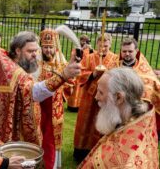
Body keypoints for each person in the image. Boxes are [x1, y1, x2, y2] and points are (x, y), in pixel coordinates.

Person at [0, 31, 82, 145]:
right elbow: (33, 91)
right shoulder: (12, 71)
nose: (35, 54)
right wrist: (63, 75)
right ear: (18, 50)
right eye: (30, 51)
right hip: (16, 131)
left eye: (36, 50)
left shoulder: (18, 64)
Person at [78, 67, 159, 168]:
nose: (96, 97)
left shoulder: (124, 159)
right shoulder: (135, 123)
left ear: (118, 97)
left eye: (101, 92)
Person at [73, 33, 119, 162]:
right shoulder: (89, 57)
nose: (103, 48)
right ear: (97, 44)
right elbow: (80, 73)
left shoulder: (115, 59)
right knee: (85, 123)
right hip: (89, 96)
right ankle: (81, 152)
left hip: (106, 98)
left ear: (110, 44)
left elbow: (118, 77)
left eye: (105, 45)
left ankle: (100, 153)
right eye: (100, 45)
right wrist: (93, 73)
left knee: (103, 123)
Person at [36, 29, 74, 169]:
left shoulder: (61, 62)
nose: (48, 50)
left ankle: (51, 164)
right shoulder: (37, 62)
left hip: (55, 107)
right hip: (39, 105)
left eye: (50, 47)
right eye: (45, 47)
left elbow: (70, 82)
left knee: (52, 136)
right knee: (39, 133)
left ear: (55, 47)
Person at [119, 38, 160, 138]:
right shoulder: (114, 66)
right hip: (117, 109)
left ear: (136, 51)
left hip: (137, 110)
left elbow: (150, 85)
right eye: (124, 51)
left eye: (130, 51)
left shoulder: (144, 69)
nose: (127, 54)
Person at [67, 34, 94, 112]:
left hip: (85, 70)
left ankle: (80, 105)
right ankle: (72, 105)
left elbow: (92, 57)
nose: (84, 42)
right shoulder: (76, 48)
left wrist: (91, 49)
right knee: (76, 85)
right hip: (77, 69)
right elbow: (76, 57)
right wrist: (82, 49)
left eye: (85, 41)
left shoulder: (89, 49)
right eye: (82, 40)